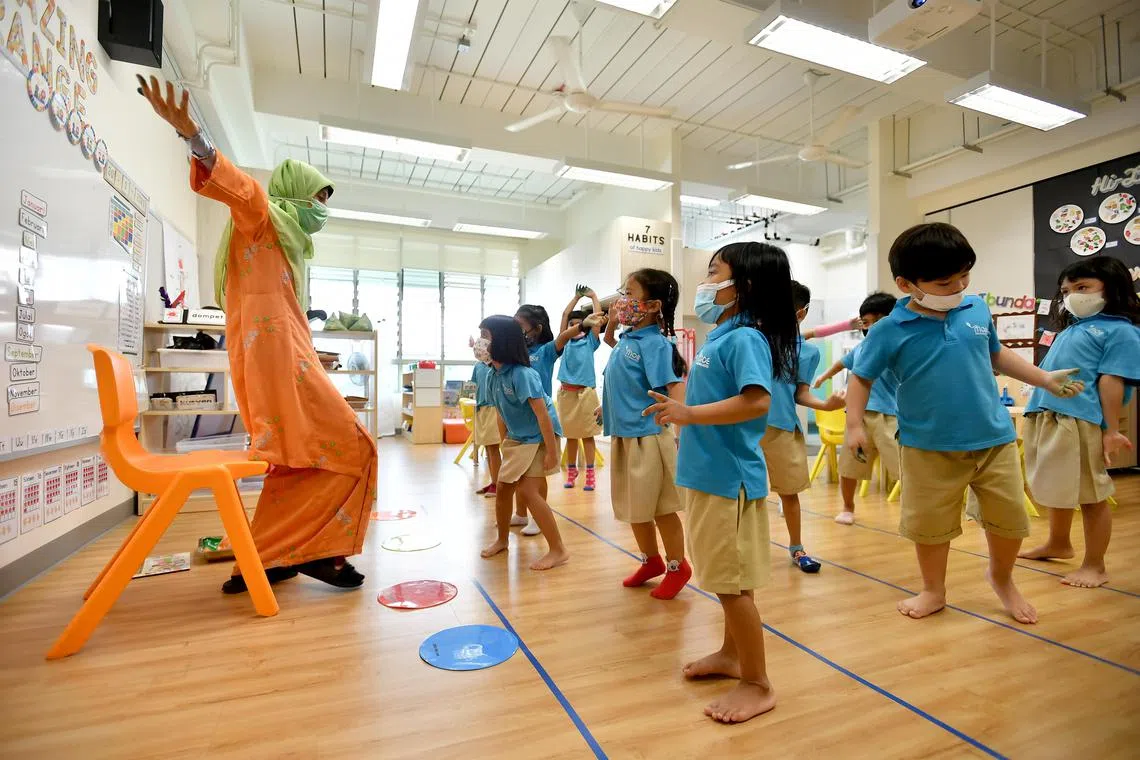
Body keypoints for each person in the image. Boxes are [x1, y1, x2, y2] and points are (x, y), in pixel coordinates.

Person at [135, 76, 377, 593]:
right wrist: (194, 137)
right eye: (318, 197)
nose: (322, 208)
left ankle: (271, 558)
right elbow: (243, 191)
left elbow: (283, 314)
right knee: (352, 447)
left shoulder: (288, 245)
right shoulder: (265, 219)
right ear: (294, 194)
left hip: (281, 361)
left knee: (294, 462)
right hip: (276, 366)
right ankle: (308, 553)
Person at [846, 223, 1082, 625]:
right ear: (906, 284)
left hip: (993, 439)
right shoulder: (888, 330)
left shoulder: (975, 309)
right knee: (930, 525)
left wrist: (1044, 378)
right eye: (944, 282)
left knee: (1009, 520)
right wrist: (855, 425)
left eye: (964, 276)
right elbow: (861, 377)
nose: (958, 287)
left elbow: (996, 354)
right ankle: (933, 589)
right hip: (927, 445)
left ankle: (1001, 578)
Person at [644, 242, 799, 724]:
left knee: (731, 587)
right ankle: (733, 656)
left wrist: (687, 414)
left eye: (714, 273)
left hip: (727, 480)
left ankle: (758, 683)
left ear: (743, 285)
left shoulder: (746, 338)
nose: (706, 282)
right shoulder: (724, 335)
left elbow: (757, 401)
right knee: (732, 582)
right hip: (708, 475)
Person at [1018, 256, 1140, 588]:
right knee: (1057, 484)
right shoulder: (1073, 328)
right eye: (1066, 291)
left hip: (1079, 419)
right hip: (1048, 413)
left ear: (1111, 288)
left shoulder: (1121, 331)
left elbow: (1112, 381)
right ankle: (1058, 543)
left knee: (1090, 494)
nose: (1072, 296)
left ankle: (1095, 565)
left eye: (1082, 287)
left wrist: (1110, 429)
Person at [601, 269, 690, 600]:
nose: (621, 300)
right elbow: (626, 383)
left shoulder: (654, 344)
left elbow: (673, 388)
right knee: (634, 507)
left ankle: (678, 567)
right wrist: (606, 408)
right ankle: (651, 561)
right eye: (622, 292)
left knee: (661, 509)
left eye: (629, 293)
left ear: (652, 306)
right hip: (624, 435)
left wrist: (682, 432)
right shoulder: (627, 340)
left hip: (648, 439)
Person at [760, 281, 845, 573]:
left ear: (801, 313)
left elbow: (801, 393)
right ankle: (746, 546)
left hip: (782, 427)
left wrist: (827, 405)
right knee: (745, 493)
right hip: (745, 426)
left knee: (789, 491)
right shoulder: (754, 341)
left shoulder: (807, 352)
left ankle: (797, 548)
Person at [478, 315, 569, 571]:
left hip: (540, 436)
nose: (480, 342)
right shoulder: (492, 375)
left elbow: (542, 415)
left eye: (485, 336)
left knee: (528, 492)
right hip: (518, 438)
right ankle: (502, 540)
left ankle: (558, 549)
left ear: (503, 341)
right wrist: (505, 442)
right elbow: (500, 412)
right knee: (503, 488)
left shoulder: (523, 375)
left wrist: (552, 452)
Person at [813, 292, 901, 525]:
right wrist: (823, 377)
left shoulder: (898, 347)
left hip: (889, 415)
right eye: (867, 323)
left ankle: (913, 510)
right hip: (859, 416)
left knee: (902, 466)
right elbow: (841, 363)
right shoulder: (862, 348)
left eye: (878, 321)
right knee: (850, 465)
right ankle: (847, 507)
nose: (871, 328)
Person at [513, 304, 564, 535]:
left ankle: (537, 518)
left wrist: (580, 325)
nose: (517, 330)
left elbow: (563, 336)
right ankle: (521, 513)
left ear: (537, 328)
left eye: (520, 326)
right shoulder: (517, 351)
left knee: (537, 473)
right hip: (520, 419)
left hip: (539, 416)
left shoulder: (545, 351)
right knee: (520, 471)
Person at [556, 289, 604, 490]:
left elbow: (598, 319)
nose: (576, 327)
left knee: (587, 435)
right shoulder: (565, 342)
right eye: (572, 325)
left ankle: (590, 474)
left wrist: (593, 297)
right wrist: (576, 298)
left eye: (580, 324)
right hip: (566, 393)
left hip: (585, 394)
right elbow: (564, 314)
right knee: (570, 436)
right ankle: (571, 471)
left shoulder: (590, 342)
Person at [470, 339, 503, 499]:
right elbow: (474, 385)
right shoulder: (478, 366)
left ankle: (498, 484)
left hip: (493, 408)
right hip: (481, 408)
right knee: (488, 449)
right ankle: (494, 481)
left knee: (493, 448)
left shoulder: (496, 366)